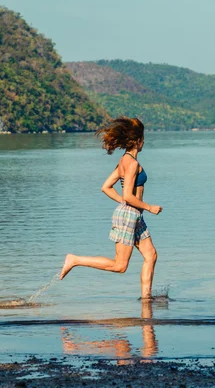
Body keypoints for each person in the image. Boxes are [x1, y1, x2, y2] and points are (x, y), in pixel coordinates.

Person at [59, 117, 163, 299]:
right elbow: (128, 195)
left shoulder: (124, 161)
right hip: (130, 216)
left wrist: (126, 205)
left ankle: (146, 300)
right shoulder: (131, 164)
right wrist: (148, 207)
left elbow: (106, 187)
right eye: (143, 138)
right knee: (120, 265)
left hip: (133, 216)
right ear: (138, 141)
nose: (144, 142)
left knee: (151, 255)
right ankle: (75, 260)